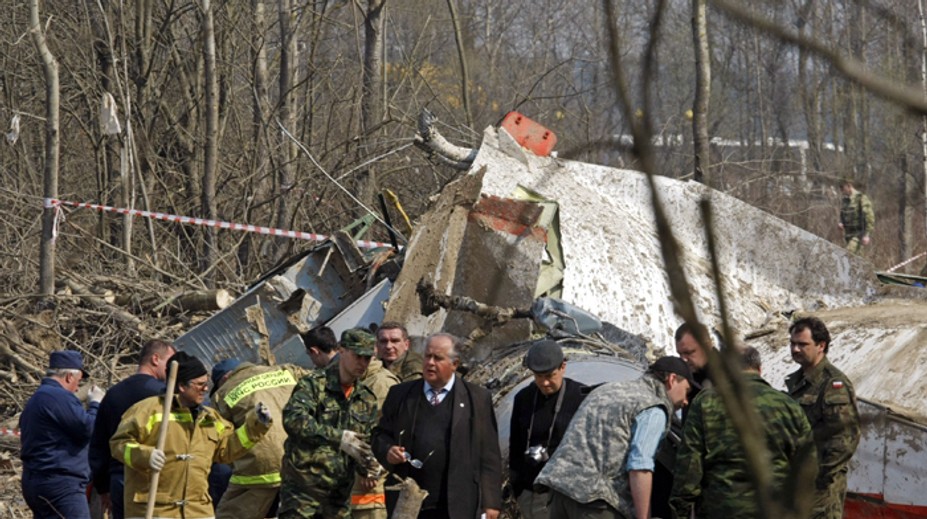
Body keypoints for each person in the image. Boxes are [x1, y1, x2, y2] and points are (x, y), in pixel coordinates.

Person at [109, 351, 272, 519]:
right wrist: (145, 456)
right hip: (155, 511)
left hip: (198, 510)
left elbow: (226, 451)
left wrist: (256, 425)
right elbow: (118, 445)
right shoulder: (147, 411)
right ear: (182, 386)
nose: (206, 388)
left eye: (206, 383)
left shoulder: (210, 418)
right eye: (200, 384)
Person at [534, 356, 695, 519]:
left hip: (559, 492)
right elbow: (640, 467)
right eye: (686, 391)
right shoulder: (653, 408)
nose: (686, 401)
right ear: (672, 380)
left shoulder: (607, 390)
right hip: (594, 502)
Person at [670, 347, 817, 518]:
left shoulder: (706, 402)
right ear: (759, 369)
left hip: (721, 510)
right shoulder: (789, 406)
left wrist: (680, 510)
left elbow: (689, 464)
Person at [372, 333, 503, 519]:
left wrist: (491, 503)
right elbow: (379, 435)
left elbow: (489, 454)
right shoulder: (400, 394)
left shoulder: (477, 399)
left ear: (455, 364)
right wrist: (388, 450)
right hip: (409, 504)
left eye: (438, 358)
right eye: (427, 356)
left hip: (457, 504)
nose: (430, 363)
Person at [279, 328, 381, 519]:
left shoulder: (366, 398)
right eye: (357, 356)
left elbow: (362, 442)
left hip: (338, 495)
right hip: (303, 490)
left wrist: (368, 465)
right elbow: (293, 420)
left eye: (367, 358)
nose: (362, 363)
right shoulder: (314, 385)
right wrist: (339, 438)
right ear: (342, 350)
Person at [210, 358, 310, 519]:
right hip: (302, 459)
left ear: (225, 378)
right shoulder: (284, 371)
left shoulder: (221, 395)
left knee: (228, 515)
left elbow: (221, 443)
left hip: (259, 472)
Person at [88, 339, 175, 519]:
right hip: (152, 480)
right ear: (155, 359)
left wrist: (104, 488)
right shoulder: (163, 395)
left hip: (118, 480)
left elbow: (99, 444)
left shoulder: (113, 394)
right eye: (170, 362)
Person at [785, 316, 861, 519]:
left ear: (821, 345)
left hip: (820, 493)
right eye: (793, 344)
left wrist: (818, 478)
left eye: (802, 344)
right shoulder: (797, 381)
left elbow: (845, 439)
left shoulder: (832, 384)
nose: (795, 349)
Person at [20, 350, 106, 519]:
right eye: (78, 382)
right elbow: (88, 429)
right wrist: (95, 404)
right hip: (62, 485)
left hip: (36, 480)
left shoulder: (38, 398)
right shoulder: (57, 397)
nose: (76, 389)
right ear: (69, 377)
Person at [509, 340, 588, 519]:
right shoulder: (523, 398)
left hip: (569, 494)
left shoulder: (581, 397)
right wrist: (519, 487)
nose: (544, 383)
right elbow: (516, 446)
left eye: (550, 375)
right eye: (538, 376)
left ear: (563, 367)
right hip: (532, 493)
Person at [350, 355, 400, 519]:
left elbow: (383, 431)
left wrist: (370, 466)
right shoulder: (362, 380)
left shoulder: (381, 383)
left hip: (371, 479)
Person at [837, 178, 875, 254]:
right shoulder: (845, 201)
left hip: (858, 235)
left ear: (849, 186)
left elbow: (869, 217)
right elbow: (842, 214)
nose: (841, 190)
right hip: (848, 236)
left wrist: (867, 235)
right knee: (856, 260)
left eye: (842, 187)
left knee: (848, 254)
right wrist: (841, 223)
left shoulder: (861, 198)